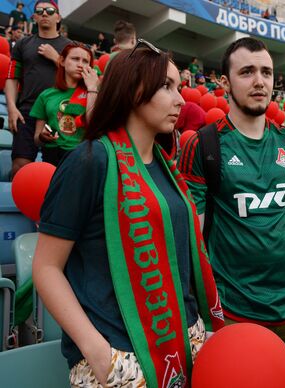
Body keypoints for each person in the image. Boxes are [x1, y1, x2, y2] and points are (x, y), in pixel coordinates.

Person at [33, 40, 224, 388]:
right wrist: (96, 350)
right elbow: (46, 267)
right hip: (120, 355)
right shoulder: (89, 161)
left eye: (178, 87)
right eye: (166, 86)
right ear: (133, 90)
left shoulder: (169, 169)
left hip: (183, 343)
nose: (180, 100)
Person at [179, 37, 285, 388]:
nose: (259, 81)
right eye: (247, 71)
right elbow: (192, 236)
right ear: (225, 82)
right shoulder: (204, 145)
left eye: (266, 72)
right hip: (234, 314)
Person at [5, 0, 70, 177]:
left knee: (55, 171)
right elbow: (12, 78)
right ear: (34, 17)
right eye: (39, 11)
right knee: (20, 167)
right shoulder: (22, 44)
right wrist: (11, 107)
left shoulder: (69, 47)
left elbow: (78, 77)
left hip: (57, 114)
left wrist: (56, 58)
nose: (44, 14)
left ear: (58, 17)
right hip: (27, 111)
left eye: (50, 10)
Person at [30, 42, 98, 166]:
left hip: (82, 155)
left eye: (85, 61)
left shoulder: (95, 92)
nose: (80, 65)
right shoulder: (46, 95)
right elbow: (36, 140)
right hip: (52, 154)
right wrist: (42, 137)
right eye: (75, 59)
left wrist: (92, 88)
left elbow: (94, 124)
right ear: (62, 61)